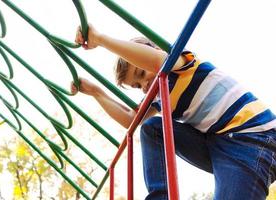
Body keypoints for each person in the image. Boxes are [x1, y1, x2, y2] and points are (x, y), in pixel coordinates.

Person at [71, 24, 276, 200]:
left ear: (155, 49)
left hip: (253, 138)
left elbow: (157, 61)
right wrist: (96, 93)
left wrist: (99, 39)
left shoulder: (180, 61)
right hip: (218, 144)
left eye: (141, 74)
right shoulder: (160, 96)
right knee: (151, 128)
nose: (144, 86)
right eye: (136, 85)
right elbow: (131, 119)